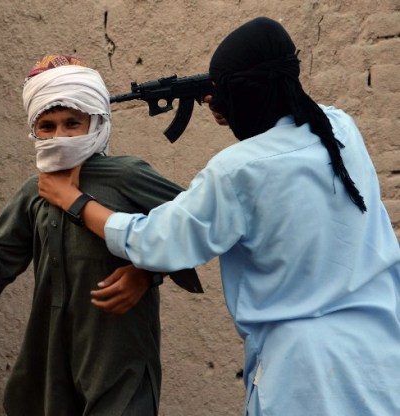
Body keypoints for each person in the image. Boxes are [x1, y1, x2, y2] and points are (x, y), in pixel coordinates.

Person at [38, 18, 400, 416]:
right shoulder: (340, 128)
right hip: (380, 355)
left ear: (243, 95)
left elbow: (155, 241)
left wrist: (73, 199)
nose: (213, 102)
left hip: (305, 376)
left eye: (223, 93)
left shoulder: (237, 171)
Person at [0, 54, 202, 416]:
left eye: (72, 123)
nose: (59, 136)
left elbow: (197, 229)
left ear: (97, 122)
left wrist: (146, 274)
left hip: (118, 360)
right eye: (47, 126)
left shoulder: (127, 176)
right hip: (50, 366)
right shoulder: (35, 192)